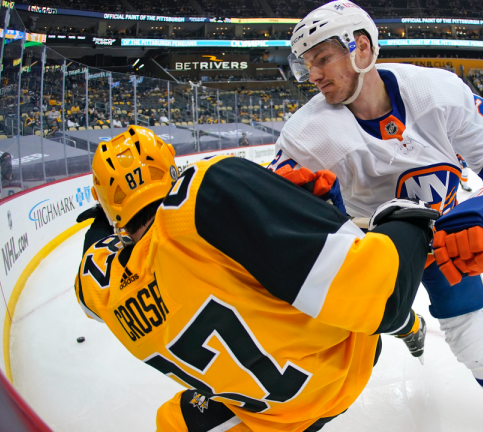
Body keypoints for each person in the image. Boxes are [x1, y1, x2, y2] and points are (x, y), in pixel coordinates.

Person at [271, 2, 483, 430]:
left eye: (322, 58)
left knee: (468, 331)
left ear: (361, 48)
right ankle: (406, 323)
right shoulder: (307, 134)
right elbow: (278, 210)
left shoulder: (436, 92)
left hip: (443, 232)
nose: (313, 75)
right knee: (348, 334)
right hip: (368, 247)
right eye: (307, 64)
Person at [75, 126, 439, 432]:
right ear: (170, 166)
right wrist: (413, 225)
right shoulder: (205, 192)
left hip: (267, 416)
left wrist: (107, 216)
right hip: (348, 363)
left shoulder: (101, 284)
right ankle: (410, 327)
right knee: (320, 274)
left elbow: (97, 254)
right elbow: (382, 294)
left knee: (173, 422)